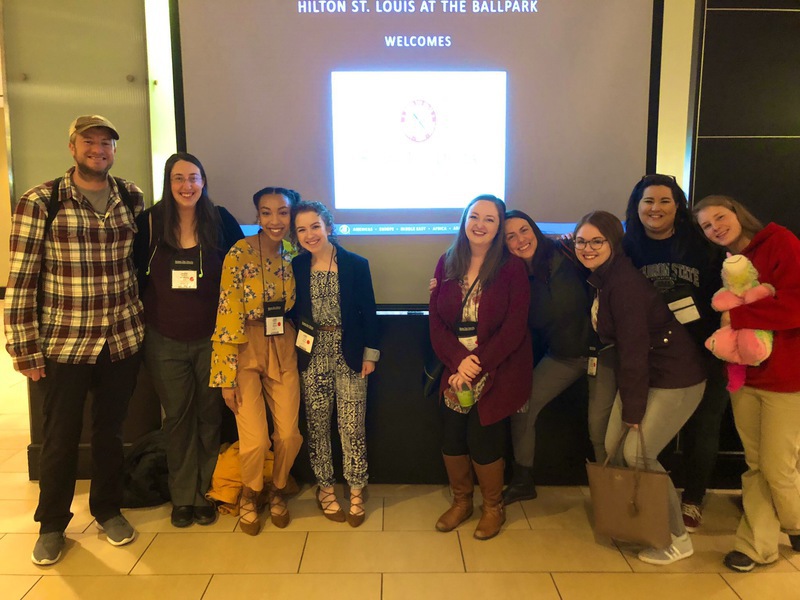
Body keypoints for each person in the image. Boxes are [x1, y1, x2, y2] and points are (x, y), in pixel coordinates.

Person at [4, 115, 144, 565]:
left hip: (120, 338)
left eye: (106, 144)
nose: (98, 150)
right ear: (72, 147)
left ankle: (107, 509)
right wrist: (22, 345)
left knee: (110, 432)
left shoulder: (130, 196)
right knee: (60, 437)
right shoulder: (40, 200)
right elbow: (21, 277)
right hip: (65, 342)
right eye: (90, 142)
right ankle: (51, 524)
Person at [575, 210, 706, 565]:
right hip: (648, 374)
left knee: (637, 455)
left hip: (675, 377)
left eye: (596, 241)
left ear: (614, 242)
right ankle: (635, 525)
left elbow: (632, 353)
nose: (587, 248)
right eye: (580, 241)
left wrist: (634, 411)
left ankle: (677, 538)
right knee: (612, 448)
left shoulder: (624, 285)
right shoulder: (604, 276)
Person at [133, 153, 243, 528]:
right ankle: (183, 497)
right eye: (178, 178)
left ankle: (205, 494)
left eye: (193, 177)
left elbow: (243, 269)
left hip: (214, 340)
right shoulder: (148, 222)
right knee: (178, 419)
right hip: (163, 340)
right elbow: (133, 278)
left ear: (204, 180)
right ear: (168, 182)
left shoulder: (221, 220)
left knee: (210, 417)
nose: (187, 185)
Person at [694, 196, 800, 573]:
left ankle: (796, 521)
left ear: (737, 213)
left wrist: (736, 313)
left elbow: (795, 305)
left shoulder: (781, 242)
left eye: (719, 218)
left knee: (778, 467)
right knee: (756, 465)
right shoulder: (726, 263)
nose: (715, 228)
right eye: (707, 226)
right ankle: (756, 546)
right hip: (744, 377)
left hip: (787, 378)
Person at [623, 174, 728, 532]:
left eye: (665, 201)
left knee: (704, 429)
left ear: (678, 206)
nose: (655, 208)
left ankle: (694, 498)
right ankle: (658, 497)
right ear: (636, 207)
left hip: (706, 351)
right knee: (659, 431)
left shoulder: (701, 243)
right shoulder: (628, 247)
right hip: (657, 358)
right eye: (648, 201)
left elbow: (724, 296)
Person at [429, 194, 532, 540]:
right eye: (475, 216)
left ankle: (492, 508)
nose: (481, 224)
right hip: (455, 365)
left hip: (496, 366)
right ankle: (462, 502)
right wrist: (459, 361)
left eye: (490, 219)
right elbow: (436, 323)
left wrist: (475, 365)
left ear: (499, 226)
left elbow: (514, 328)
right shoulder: (446, 262)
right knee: (452, 438)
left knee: (484, 439)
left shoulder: (511, 268)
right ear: (464, 220)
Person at [501, 210, 615, 504]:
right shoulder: (511, 277)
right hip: (563, 358)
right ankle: (523, 479)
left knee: (598, 430)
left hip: (603, 355)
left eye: (524, 230)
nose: (520, 240)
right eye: (510, 236)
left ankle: (614, 497)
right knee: (521, 407)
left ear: (534, 229)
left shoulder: (567, 251)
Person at [209, 186, 304, 534]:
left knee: (289, 434)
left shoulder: (296, 250)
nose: (275, 220)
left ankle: (278, 489)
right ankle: (251, 492)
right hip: (244, 343)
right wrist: (225, 376)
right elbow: (226, 310)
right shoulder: (239, 253)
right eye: (266, 212)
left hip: (284, 342)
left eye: (282, 212)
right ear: (258, 216)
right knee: (254, 440)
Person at [291, 201, 380, 528]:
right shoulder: (295, 267)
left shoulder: (356, 264)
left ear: (329, 226)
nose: (309, 234)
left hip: (351, 353)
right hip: (312, 355)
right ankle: (325, 488)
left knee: (352, 426)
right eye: (301, 229)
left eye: (315, 226)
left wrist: (370, 354)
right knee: (317, 426)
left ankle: (356, 489)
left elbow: (369, 312)